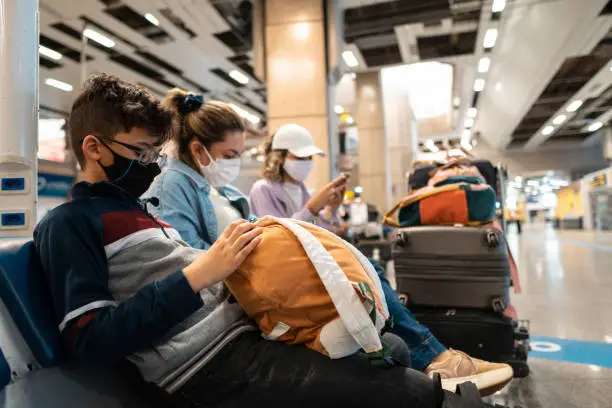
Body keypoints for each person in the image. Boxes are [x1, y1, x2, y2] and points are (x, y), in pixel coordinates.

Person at [34, 74, 492, 408]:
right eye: (141, 153)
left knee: (389, 351)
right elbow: (89, 338)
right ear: (93, 148)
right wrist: (199, 274)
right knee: (412, 393)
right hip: (208, 363)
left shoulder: (143, 214)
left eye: (156, 154)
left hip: (245, 334)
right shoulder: (68, 224)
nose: (152, 166)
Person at [145, 92, 513, 396]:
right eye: (230, 156)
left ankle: (434, 357)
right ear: (198, 150)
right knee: (364, 286)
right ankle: (435, 359)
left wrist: (322, 217)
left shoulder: (223, 192)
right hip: (254, 294)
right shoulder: (179, 186)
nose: (236, 164)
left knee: (368, 277)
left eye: (241, 155)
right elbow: (194, 263)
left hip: (272, 274)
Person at [250, 124, 347, 235]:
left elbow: (320, 233)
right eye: (300, 157)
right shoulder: (262, 190)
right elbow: (277, 234)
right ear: (280, 157)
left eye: (309, 157)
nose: (306, 162)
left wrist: (331, 210)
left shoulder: (307, 193)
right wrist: (311, 208)